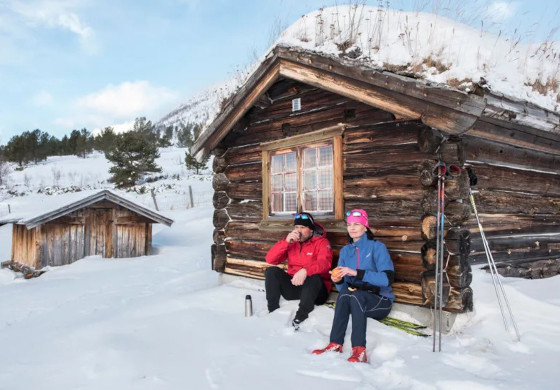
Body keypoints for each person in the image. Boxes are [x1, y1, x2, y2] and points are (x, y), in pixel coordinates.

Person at [312, 209, 395, 363]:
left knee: (355, 296)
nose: (352, 228)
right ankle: (335, 343)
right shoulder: (346, 251)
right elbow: (343, 288)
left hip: (380, 300)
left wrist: (357, 273)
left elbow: (386, 279)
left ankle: (359, 349)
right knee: (345, 294)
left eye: (357, 224)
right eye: (349, 224)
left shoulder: (377, 247)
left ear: (365, 227)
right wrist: (337, 280)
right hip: (356, 299)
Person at [264, 212, 333, 330]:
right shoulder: (291, 243)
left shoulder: (322, 242)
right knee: (271, 271)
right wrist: (286, 242)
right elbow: (270, 259)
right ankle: (272, 310)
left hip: (315, 292)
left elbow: (325, 264)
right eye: (296, 227)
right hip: (294, 286)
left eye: (303, 227)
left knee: (314, 277)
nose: (299, 230)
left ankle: (301, 315)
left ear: (311, 230)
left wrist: (306, 270)